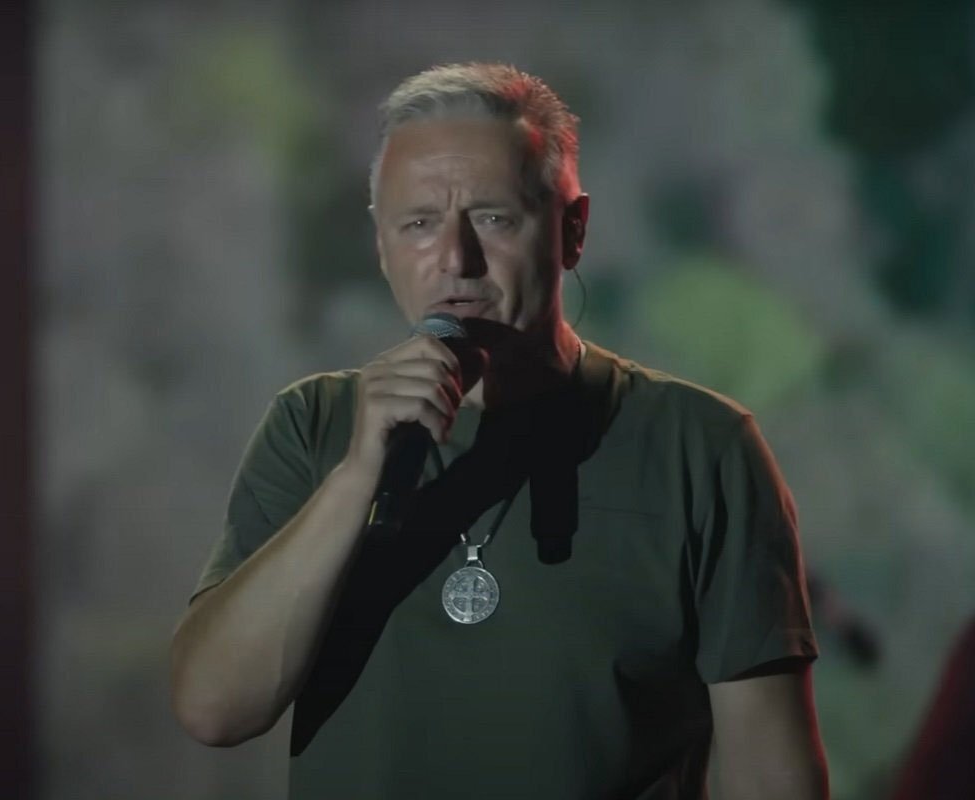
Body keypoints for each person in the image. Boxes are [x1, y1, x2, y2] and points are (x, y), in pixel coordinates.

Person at [170, 62, 829, 799]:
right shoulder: (313, 426)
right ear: (382, 247)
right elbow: (214, 708)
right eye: (419, 224)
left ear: (572, 231)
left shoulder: (698, 447)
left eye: (493, 218)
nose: (456, 259)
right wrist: (356, 478)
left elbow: (770, 776)